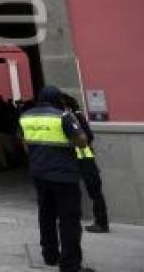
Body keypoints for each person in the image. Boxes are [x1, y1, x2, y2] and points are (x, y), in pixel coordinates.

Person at [19, 86, 95, 272]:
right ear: (58, 99)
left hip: (39, 174)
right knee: (69, 219)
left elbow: (25, 145)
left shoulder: (26, 117)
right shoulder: (63, 116)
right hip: (64, 175)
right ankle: (70, 264)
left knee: (46, 215)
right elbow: (83, 141)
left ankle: (49, 254)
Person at [62, 93, 109, 233]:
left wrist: (76, 144)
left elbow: (88, 136)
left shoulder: (73, 116)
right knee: (93, 191)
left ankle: (101, 223)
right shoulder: (75, 115)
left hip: (83, 158)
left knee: (94, 191)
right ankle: (99, 222)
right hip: (84, 157)